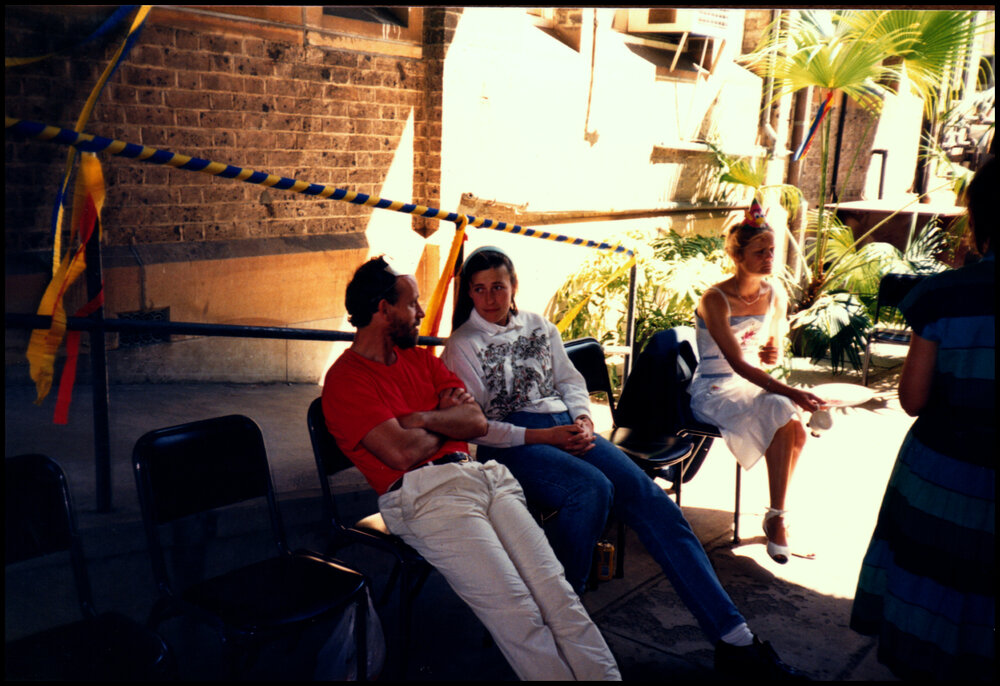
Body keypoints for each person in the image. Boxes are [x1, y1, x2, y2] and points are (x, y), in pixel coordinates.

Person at [441, 246, 807, 680]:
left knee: (656, 505)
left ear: (513, 285)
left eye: (498, 287)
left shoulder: (540, 326)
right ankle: (560, 620)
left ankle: (735, 639)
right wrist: (543, 435)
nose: (490, 298)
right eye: (479, 290)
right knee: (590, 489)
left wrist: (579, 418)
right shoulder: (463, 345)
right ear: (469, 293)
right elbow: (477, 427)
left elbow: (570, 382)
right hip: (516, 443)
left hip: (568, 427)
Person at [322, 256, 621, 681]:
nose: (422, 312)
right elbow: (401, 454)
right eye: (413, 303)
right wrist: (444, 419)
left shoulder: (422, 360)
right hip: (424, 495)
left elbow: (477, 422)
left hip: (481, 478)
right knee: (518, 610)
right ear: (383, 309)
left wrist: (422, 419)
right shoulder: (346, 379)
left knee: (558, 595)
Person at [850, 156, 995, 681]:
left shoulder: (942, 297)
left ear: (977, 220)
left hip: (944, 473)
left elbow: (911, 398)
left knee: (932, 583)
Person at [688, 201, 825, 563]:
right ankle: (777, 520)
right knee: (786, 410)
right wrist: (792, 390)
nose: (769, 258)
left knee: (792, 424)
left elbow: (772, 347)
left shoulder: (774, 293)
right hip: (715, 386)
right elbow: (736, 363)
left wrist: (773, 353)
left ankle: (776, 515)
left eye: (772, 250)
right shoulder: (715, 299)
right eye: (760, 252)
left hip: (754, 382)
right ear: (737, 255)